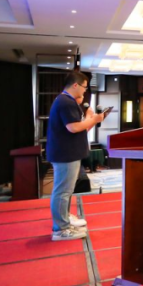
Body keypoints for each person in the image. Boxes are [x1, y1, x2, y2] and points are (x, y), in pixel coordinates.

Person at [46, 71, 104, 240]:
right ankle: (61, 229)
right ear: (75, 85)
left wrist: (90, 118)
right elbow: (73, 128)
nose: (85, 90)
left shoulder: (66, 101)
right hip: (65, 154)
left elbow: (80, 128)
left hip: (67, 153)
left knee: (66, 190)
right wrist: (94, 119)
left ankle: (64, 219)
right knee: (62, 191)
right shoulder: (66, 102)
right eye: (84, 87)